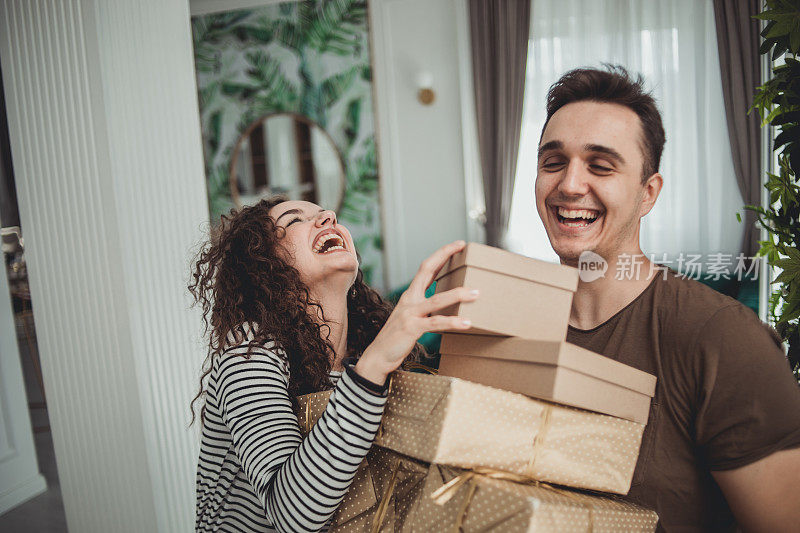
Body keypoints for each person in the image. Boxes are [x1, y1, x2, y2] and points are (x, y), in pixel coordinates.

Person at [535, 66, 800, 531]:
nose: (570, 185)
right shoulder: (515, 322)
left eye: (601, 165)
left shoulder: (722, 338)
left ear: (648, 193)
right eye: (553, 162)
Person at [190, 197, 476, 532]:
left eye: (326, 214)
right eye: (294, 220)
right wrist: (376, 363)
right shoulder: (248, 352)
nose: (328, 216)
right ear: (262, 263)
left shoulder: (364, 350)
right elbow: (292, 516)